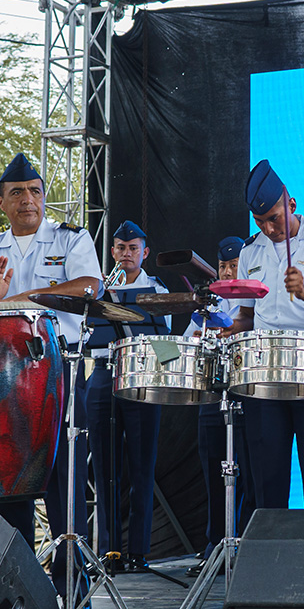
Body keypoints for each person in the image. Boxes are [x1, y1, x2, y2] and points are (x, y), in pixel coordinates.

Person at [0, 153, 102, 599]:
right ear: (2, 201)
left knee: (64, 486)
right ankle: (17, 589)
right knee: (9, 490)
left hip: (56, 373)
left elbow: (88, 287)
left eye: (36, 192)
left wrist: (17, 297)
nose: (29, 200)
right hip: (5, 382)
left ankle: (72, 589)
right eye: (18, 193)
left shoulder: (70, 239)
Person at [224, 160, 304, 509]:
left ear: (291, 204)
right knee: (266, 480)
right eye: (260, 221)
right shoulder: (250, 250)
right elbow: (248, 316)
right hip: (265, 372)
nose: (268, 228)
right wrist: (226, 327)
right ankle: (269, 558)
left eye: (274, 218)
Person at [82, 220, 168, 572]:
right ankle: (109, 551)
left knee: (141, 467)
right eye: (120, 247)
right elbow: (85, 335)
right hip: (104, 375)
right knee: (104, 469)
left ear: (144, 252)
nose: (126, 253)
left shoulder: (157, 290)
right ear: (113, 251)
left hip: (141, 377)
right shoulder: (100, 289)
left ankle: (139, 552)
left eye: (133, 248)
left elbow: (167, 347)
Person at [185, 236, 255, 577]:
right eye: (224, 266)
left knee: (249, 477)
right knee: (214, 474)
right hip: (213, 399)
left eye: (235, 264)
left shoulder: (256, 301)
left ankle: (245, 543)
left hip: (248, 396)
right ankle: (214, 545)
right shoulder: (209, 305)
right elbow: (184, 346)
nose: (229, 271)